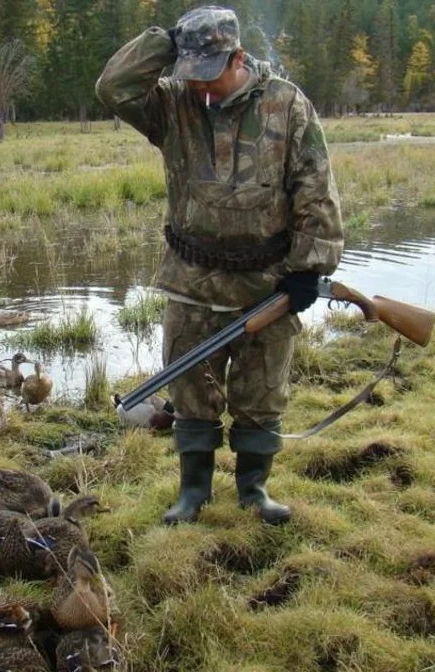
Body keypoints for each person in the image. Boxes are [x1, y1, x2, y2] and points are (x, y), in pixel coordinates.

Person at [96, 6, 343, 525]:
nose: (203, 88)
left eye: (211, 74)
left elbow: (315, 188)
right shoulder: (172, 103)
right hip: (190, 280)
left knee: (262, 392)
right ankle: (194, 493)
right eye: (193, 74)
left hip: (267, 282)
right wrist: (166, 44)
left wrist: (310, 269)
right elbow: (113, 88)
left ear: (238, 57)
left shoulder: (287, 105)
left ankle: (254, 491)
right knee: (190, 392)